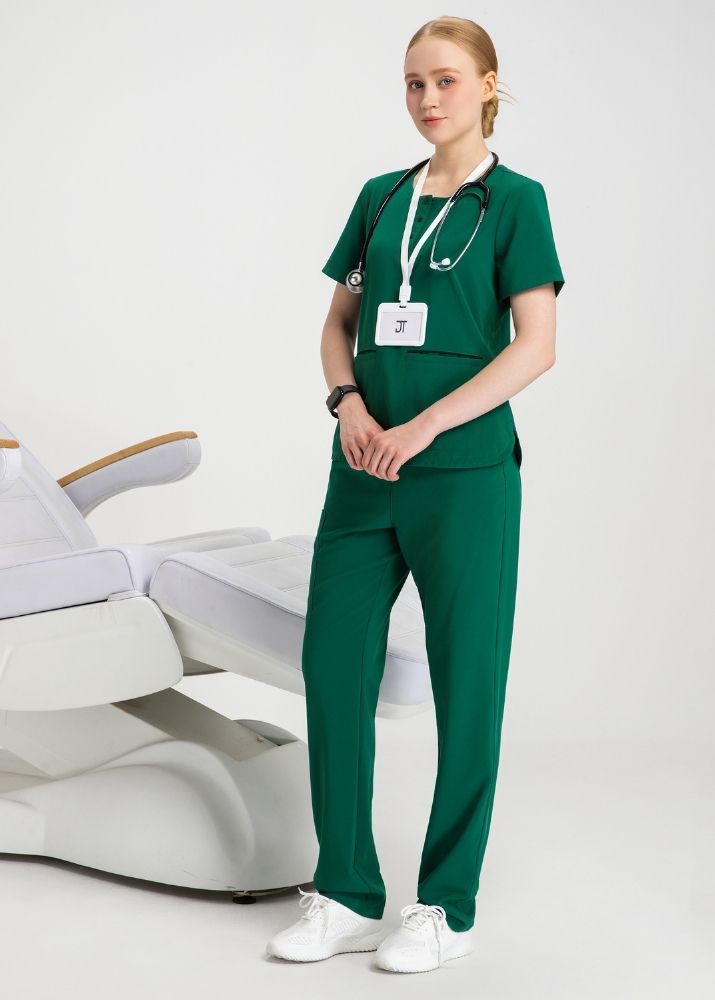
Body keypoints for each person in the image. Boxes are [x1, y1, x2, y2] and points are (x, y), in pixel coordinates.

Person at [266, 15, 565, 974]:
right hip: (363, 471)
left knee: (466, 683)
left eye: (445, 80)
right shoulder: (380, 198)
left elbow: (535, 346)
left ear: (487, 86)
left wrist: (426, 425)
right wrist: (347, 403)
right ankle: (346, 892)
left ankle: (446, 903)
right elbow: (338, 325)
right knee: (333, 668)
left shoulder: (516, 202)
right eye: (412, 83)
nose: (427, 98)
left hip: (463, 479)